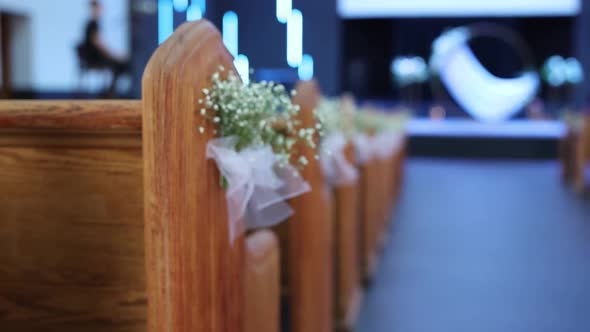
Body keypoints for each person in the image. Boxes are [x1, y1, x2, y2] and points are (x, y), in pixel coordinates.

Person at [80, 0, 129, 96]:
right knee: (120, 65)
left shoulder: (94, 24)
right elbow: (99, 44)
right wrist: (114, 55)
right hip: (94, 58)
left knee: (121, 64)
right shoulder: (92, 24)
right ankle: (109, 93)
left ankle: (110, 91)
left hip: (97, 56)